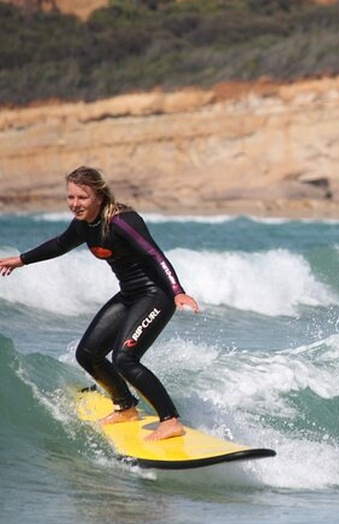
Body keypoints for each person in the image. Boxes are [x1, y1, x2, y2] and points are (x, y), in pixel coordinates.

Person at [0, 166, 199, 441]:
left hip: (156, 295)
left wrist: (177, 291)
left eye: (81, 198)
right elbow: (59, 244)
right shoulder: (84, 225)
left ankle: (170, 420)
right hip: (129, 295)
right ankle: (126, 407)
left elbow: (155, 254)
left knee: (125, 359)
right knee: (88, 354)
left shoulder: (122, 221)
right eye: (70, 197)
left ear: (98, 196)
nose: (74, 204)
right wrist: (21, 260)